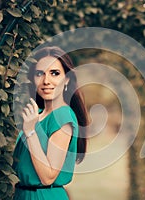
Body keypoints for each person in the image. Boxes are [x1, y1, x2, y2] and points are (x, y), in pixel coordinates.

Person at [13, 46, 88, 200]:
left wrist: (31, 132)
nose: (46, 81)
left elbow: (48, 177)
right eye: (40, 73)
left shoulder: (62, 115)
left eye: (55, 73)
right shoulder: (38, 115)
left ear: (67, 79)